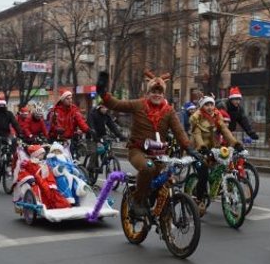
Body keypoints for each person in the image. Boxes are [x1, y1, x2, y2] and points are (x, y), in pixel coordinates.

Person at [98, 69, 200, 217]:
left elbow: (179, 131)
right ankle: (138, 201)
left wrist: (190, 148)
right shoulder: (138, 104)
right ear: (148, 92)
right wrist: (103, 92)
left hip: (159, 154)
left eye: (160, 92)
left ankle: (160, 212)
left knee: (165, 179)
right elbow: (117, 104)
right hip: (138, 151)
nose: (157, 95)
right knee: (148, 168)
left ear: (163, 94)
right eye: (153, 91)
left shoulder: (169, 111)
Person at [189, 95, 242, 213]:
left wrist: (235, 143)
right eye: (206, 105)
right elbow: (197, 135)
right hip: (198, 151)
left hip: (213, 150)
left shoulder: (217, 116)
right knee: (203, 173)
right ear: (202, 106)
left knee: (222, 166)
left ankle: (216, 188)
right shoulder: (196, 118)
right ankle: (198, 199)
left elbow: (225, 131)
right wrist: (202, 148)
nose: (209, 107)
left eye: (211, 104)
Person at [0, 99, 23, 178]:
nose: (1, 107)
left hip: (6, 135)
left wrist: (20, 132)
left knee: (14, 142)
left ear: (5, 106)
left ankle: (10, 163)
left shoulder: (9, 113)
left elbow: (15, 123)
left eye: (3, 105)